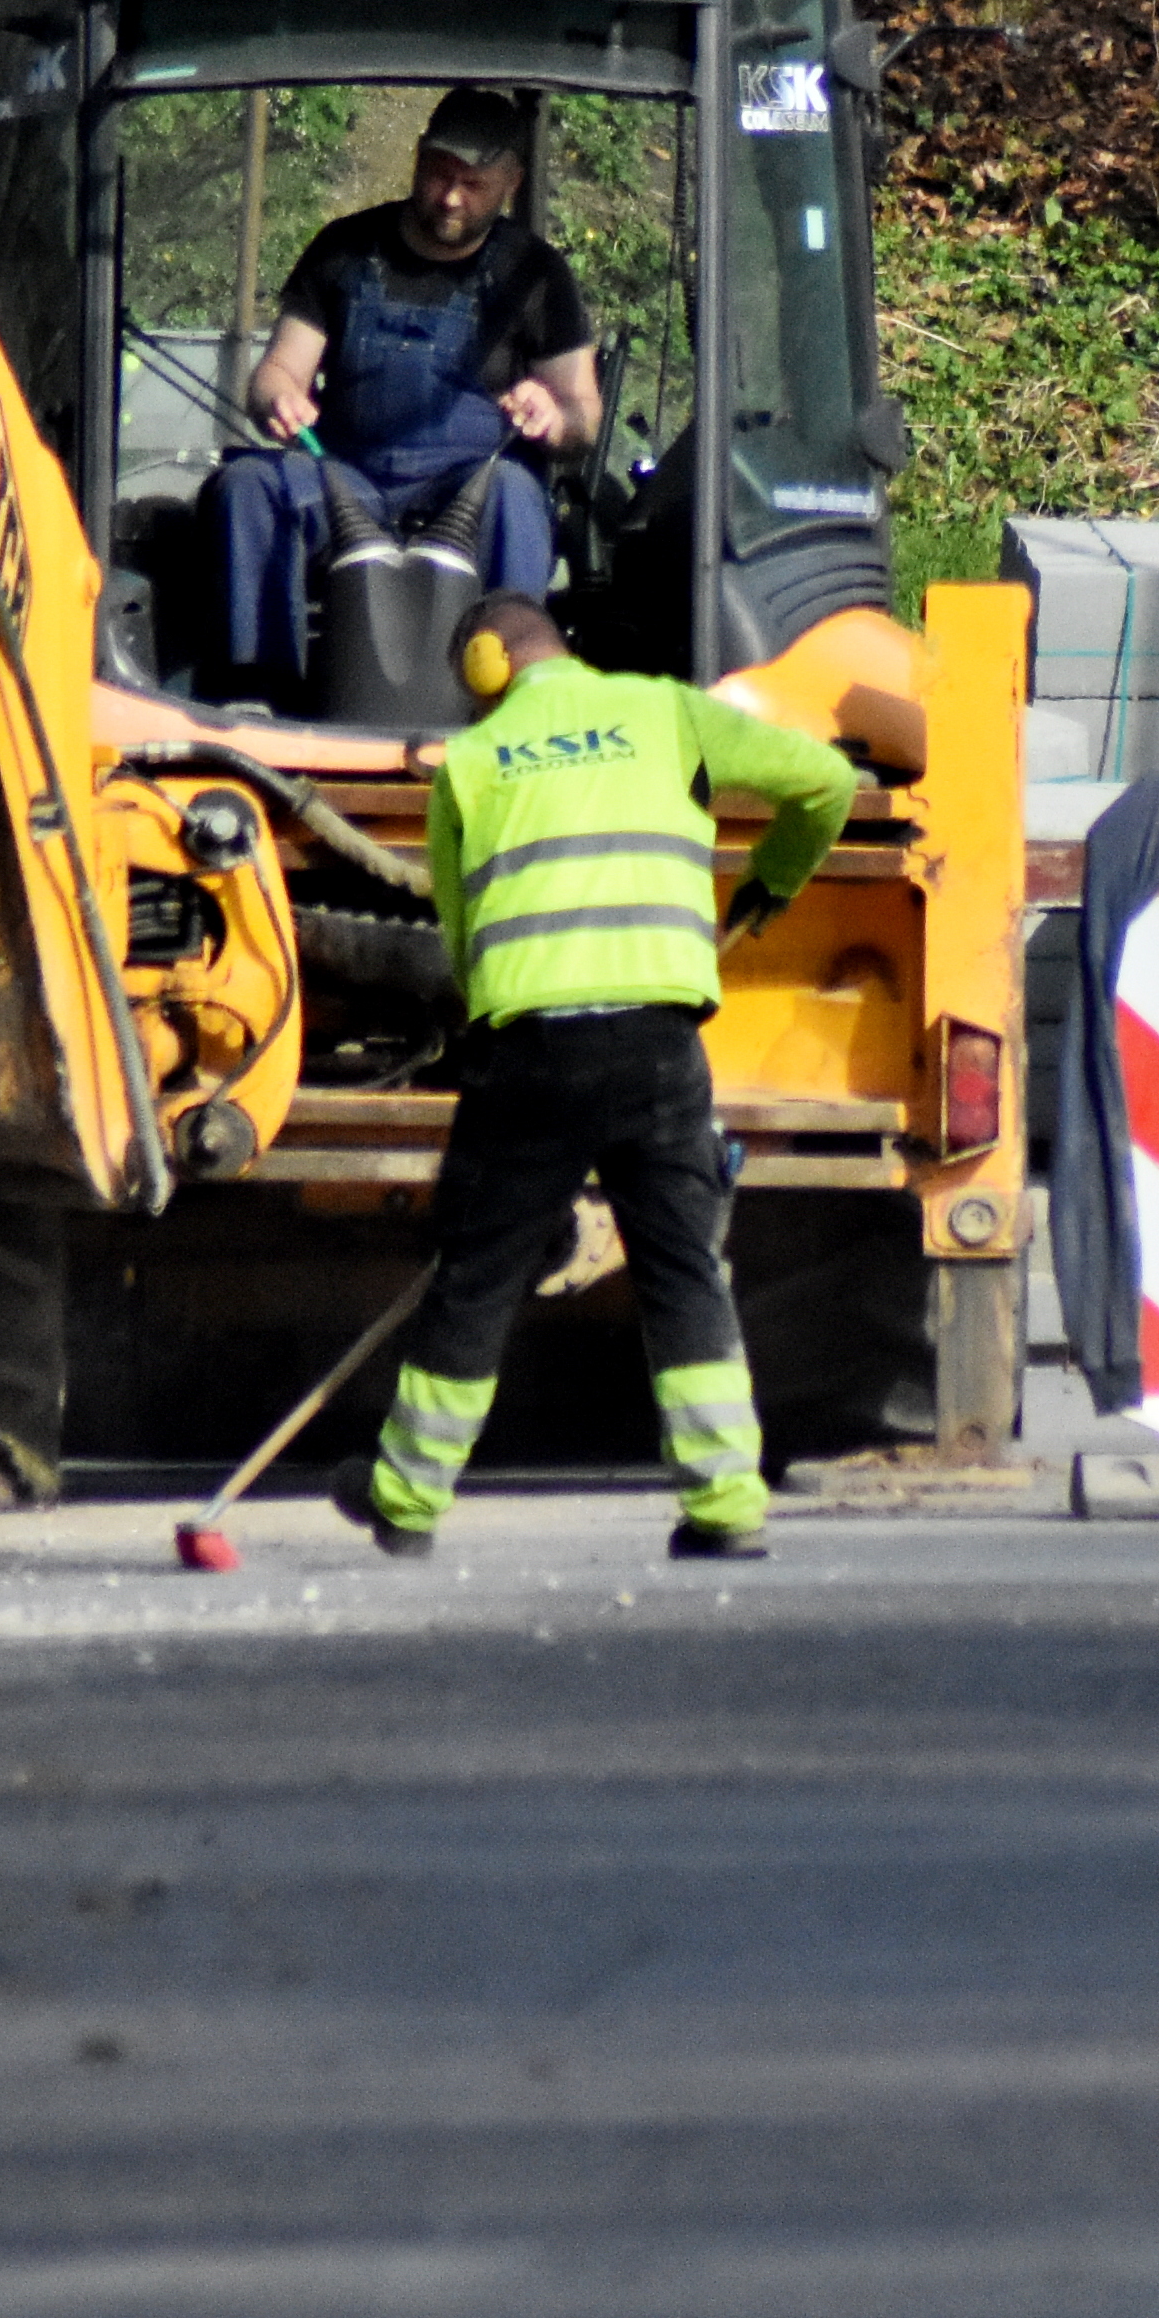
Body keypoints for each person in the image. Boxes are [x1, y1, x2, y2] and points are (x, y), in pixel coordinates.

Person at [343, 592, 854, 1563]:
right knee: (681, 1270)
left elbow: (460, 937)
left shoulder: (473, 761)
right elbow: (824, 781)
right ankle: (725, 1507)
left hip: (529, 1053)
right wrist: (770, 883)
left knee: (477, 1278)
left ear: (487, 666)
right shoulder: (665, 712)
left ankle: (404, 1503)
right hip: (658, 1045)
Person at [214, 88, 602, 696]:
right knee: (248, 486)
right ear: (417, 158)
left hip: (473, 486)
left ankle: (518, 698)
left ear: (511, 183)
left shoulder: (538, 274)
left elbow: (584, 415)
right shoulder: (343, 250)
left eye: (472, 183)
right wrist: (278, 397)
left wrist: (555, 415)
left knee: (517, 495)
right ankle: (260, 697)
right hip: (347, 479)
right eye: (439, 174)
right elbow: (275, 372)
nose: (451, 197)